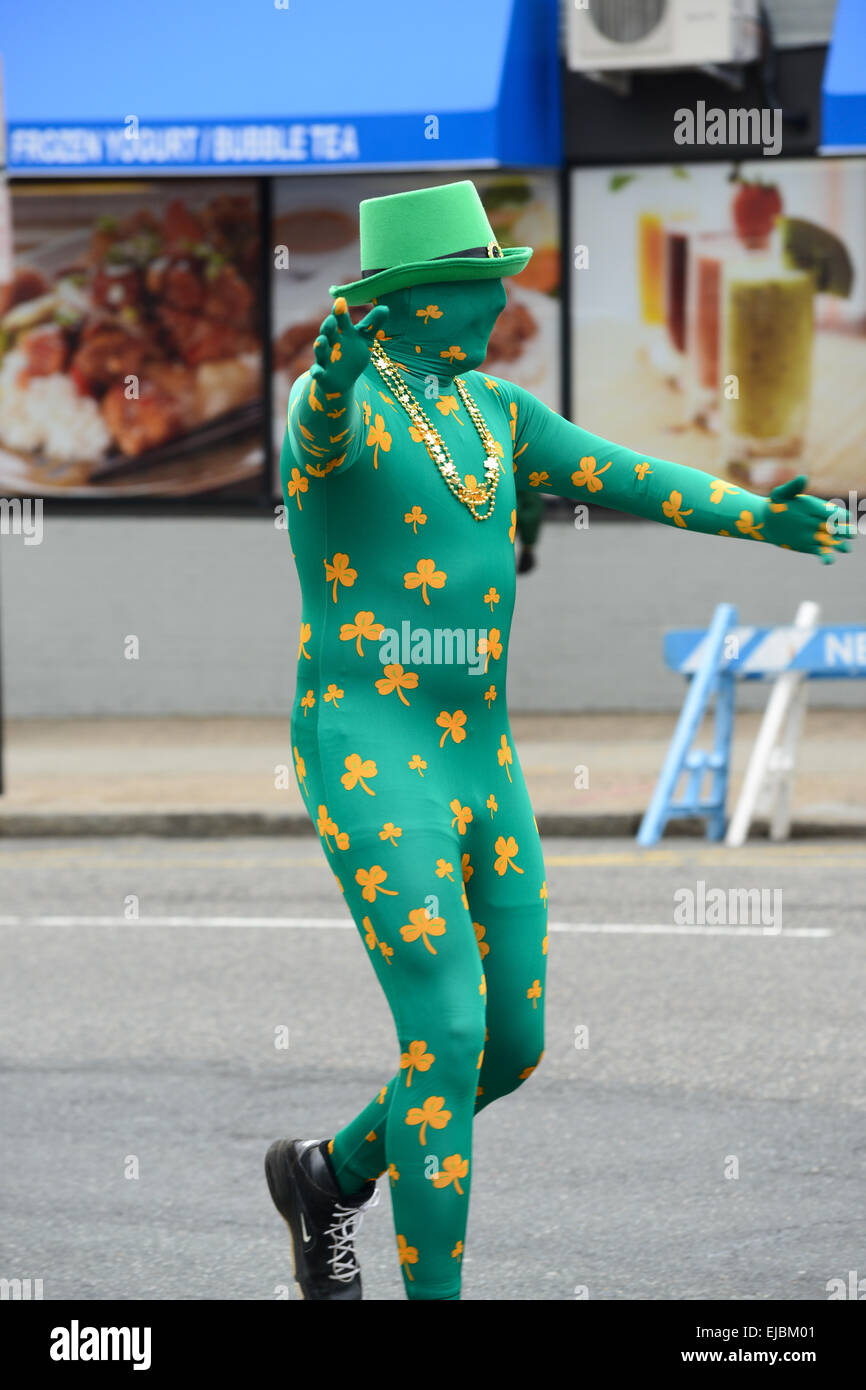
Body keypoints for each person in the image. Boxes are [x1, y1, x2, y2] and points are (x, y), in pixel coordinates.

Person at [266, 180, 854, 1301]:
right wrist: (330, 379)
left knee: (509, 1045)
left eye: (496, 283)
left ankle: (327, 1174)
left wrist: (756, 517)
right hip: (363, 744)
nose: (494, 303)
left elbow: (630, 474)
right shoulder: (338, 406)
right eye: (471, 287)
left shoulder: (495, 416)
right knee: (442, 1026)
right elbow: (319, 429)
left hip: (478, 751)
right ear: (405, 300)